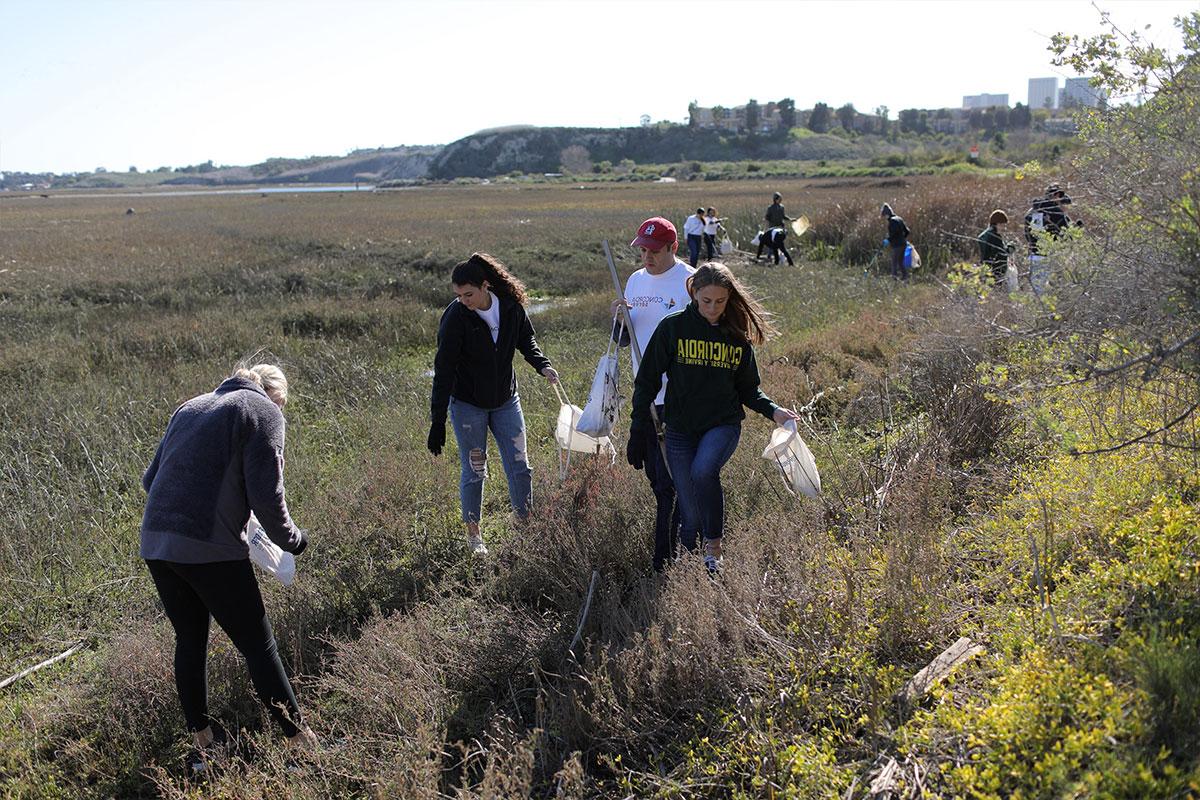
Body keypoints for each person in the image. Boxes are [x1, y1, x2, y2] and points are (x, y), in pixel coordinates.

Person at [140, 363, 318, 772]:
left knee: (190, 639)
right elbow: (267, 496)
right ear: (275, 397)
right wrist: (295, 540)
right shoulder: (263, 413)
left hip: (157, 541)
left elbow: (151, 481)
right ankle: (300, 745)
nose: (281, 414)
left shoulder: (191, 407)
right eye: (282, 406)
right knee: (259, 645)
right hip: (210, 547)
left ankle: (204, 746)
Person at [628, 263, 801, 573]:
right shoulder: (673, 329)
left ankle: (714, 548)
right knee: (689, 508)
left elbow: (749, 391)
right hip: (680, 429)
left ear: (729, 298)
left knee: (704, 471)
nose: (712, 308)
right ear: (694, 294)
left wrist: (773, 411)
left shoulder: (737, 339)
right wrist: (638, 426)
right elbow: (647, 381)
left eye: (720, 302)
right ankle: (689, 562)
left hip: (722, 425)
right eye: (706, 301)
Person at [428, 253, 558, 555]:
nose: (464, 301)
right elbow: (444, 369)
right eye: (459, 295)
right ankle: (474, 537)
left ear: (486, 286)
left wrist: (542, 365)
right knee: (475, 469)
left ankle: (525, 530)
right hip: (468, 406)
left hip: (505, 401)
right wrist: (437, 421)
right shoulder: (456, 317)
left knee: (520, 466)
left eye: (469, 294)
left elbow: (527, 342)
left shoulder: (511, 308)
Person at [613, 217, 696, 572]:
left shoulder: (690, 281)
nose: (647, 256)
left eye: (654, 250)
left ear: (673, 248)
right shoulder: (634, 281)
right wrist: (618, 322)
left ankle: (670, 559)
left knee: (670, 483)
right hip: (645, 397)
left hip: (679, 398)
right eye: (642, 249)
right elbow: (625, 341)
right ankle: (678, 550)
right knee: (658, 481)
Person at [1023, 184, 1074, 295]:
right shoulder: (1057, 212)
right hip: (1053, 256)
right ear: (1056, 195)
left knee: (1036, 290)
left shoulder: (1032, 211)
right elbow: (1067, 236)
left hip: (1034, 255)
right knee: (1058, 289)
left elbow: (1027, 234)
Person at [978, 209, 1012, 285]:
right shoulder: (995, 236)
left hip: (985, 269)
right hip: (995, 271)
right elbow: (1000, 254)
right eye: (1003, 225)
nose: (1004, 228)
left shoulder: (984, 235)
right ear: (997, 223)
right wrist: (1010, 249)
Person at [761, 192, 795, 265]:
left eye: (780, 199)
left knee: (779, 244)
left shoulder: (782, 207)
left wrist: (790, 219)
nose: (780, 200)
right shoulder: (770, 208)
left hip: (780, 228)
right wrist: (766, 226)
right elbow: (767, 217)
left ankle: (778, 259)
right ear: (775, 199)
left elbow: (783, 216)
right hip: (772, 228)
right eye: (779, 199)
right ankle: (770, 257)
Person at [881, 203, 911, 281]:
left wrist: (888, 240)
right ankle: (905, 278)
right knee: (900, 262)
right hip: (903, 244)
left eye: (884, 215)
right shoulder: (899, 218)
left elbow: (895, 234)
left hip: (897, 245)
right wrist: (903, 239)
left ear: (887, 214)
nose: (884, 218)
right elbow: (907, 231)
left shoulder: (892, 221)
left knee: (894, 262)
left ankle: (894, 279)